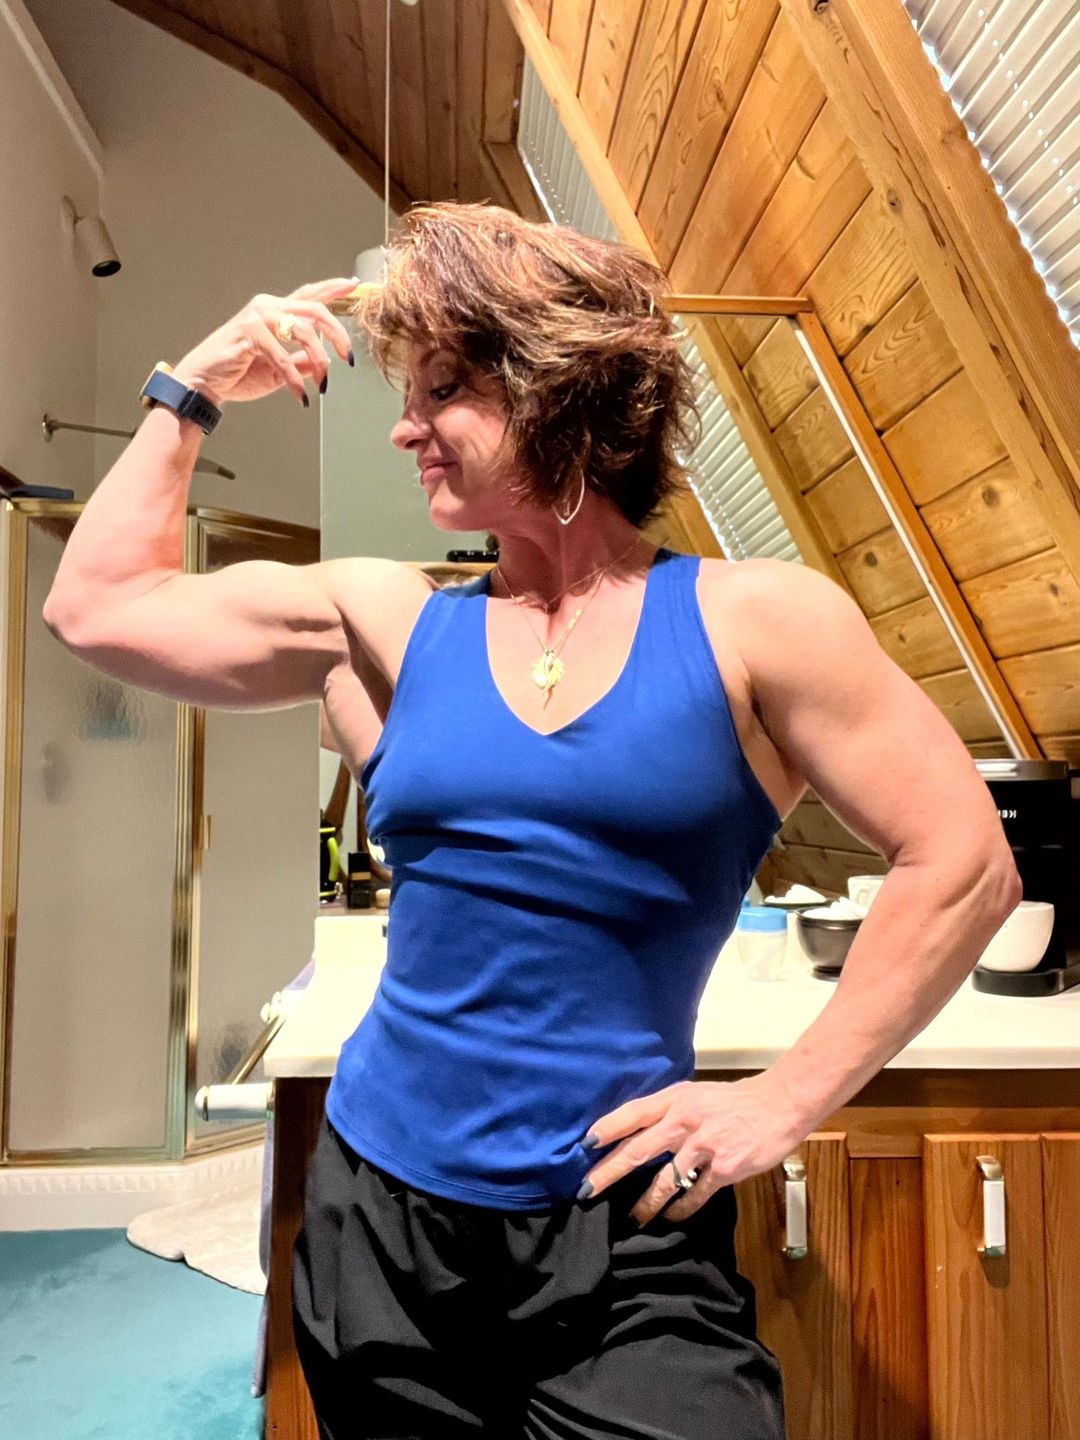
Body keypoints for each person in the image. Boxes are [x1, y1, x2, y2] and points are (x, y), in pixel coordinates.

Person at [43, 202, 1021, 1439]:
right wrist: (189, 389)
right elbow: (96, 608)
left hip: (625, 1234)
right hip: (379, 1222)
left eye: (444, 388)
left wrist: (783, 1101)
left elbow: (964, 861)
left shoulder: (758, 621)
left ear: (560, 387)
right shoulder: (386, 620)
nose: (405, 427)